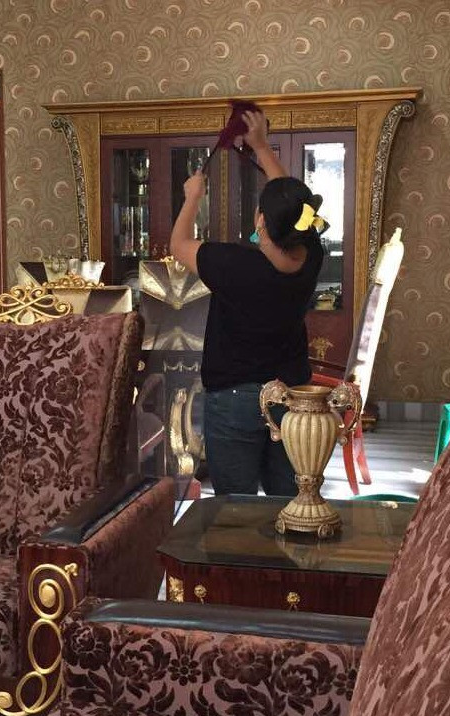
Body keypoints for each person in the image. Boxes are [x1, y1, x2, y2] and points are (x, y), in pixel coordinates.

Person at [170, 108, 327, 496]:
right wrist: (261, 147)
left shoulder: (234, 265)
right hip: (292, 395)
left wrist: (193, 198)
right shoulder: (311, 255)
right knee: (287, 498)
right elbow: (291, 203)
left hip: (235, 397)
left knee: (235, 506)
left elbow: (178, 245)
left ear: (260, 222)